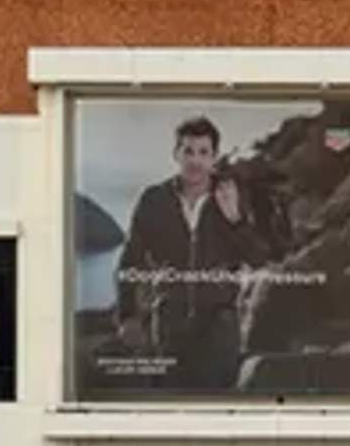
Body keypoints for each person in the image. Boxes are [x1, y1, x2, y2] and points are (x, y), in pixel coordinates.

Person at [110, 115, 272, 390]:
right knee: (168, 405)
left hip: (220, 327)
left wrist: (235, 219)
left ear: (214, 156)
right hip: (169, 324)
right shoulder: (154, 199)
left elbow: (257, 257)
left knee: (219, 408)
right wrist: (127, 315)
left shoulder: (234, 195)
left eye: (203, 152)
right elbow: (131, 257)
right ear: (176, 154)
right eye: (188, 151)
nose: (195, 161)